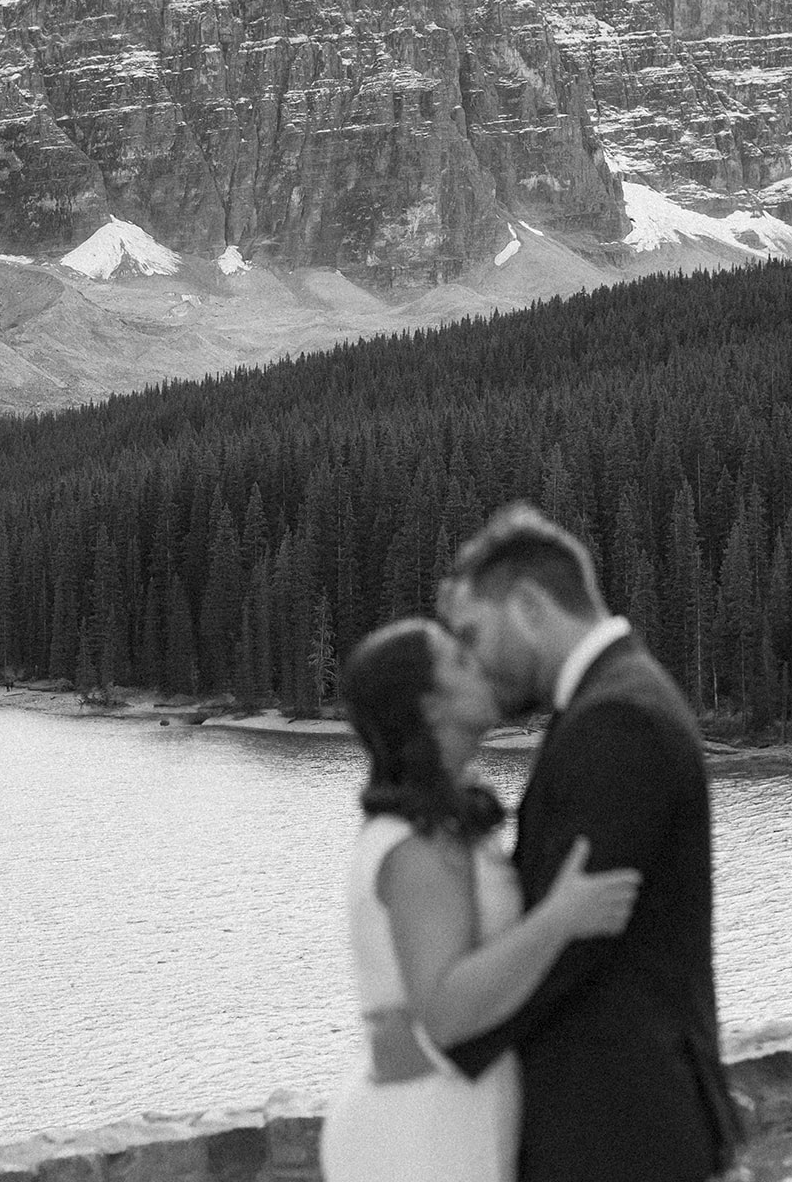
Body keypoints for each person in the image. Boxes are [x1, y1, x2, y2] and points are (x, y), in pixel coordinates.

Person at [438, 503, 744, 1182]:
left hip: (620, 1133)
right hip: (616, 1127)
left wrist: (447, 1033)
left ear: (527, 607)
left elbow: (579, 943)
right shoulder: (612, 700)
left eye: (472, 634)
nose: (471, 661)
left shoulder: (619, 720)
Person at [321, 617, 640, 1182]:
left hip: (455, 1112)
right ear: (431, 705)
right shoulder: (416, 845)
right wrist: (559, 920)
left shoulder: (445, 824)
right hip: (420, 1133)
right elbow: (443, 1015)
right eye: (459, 662)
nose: (481, 664)